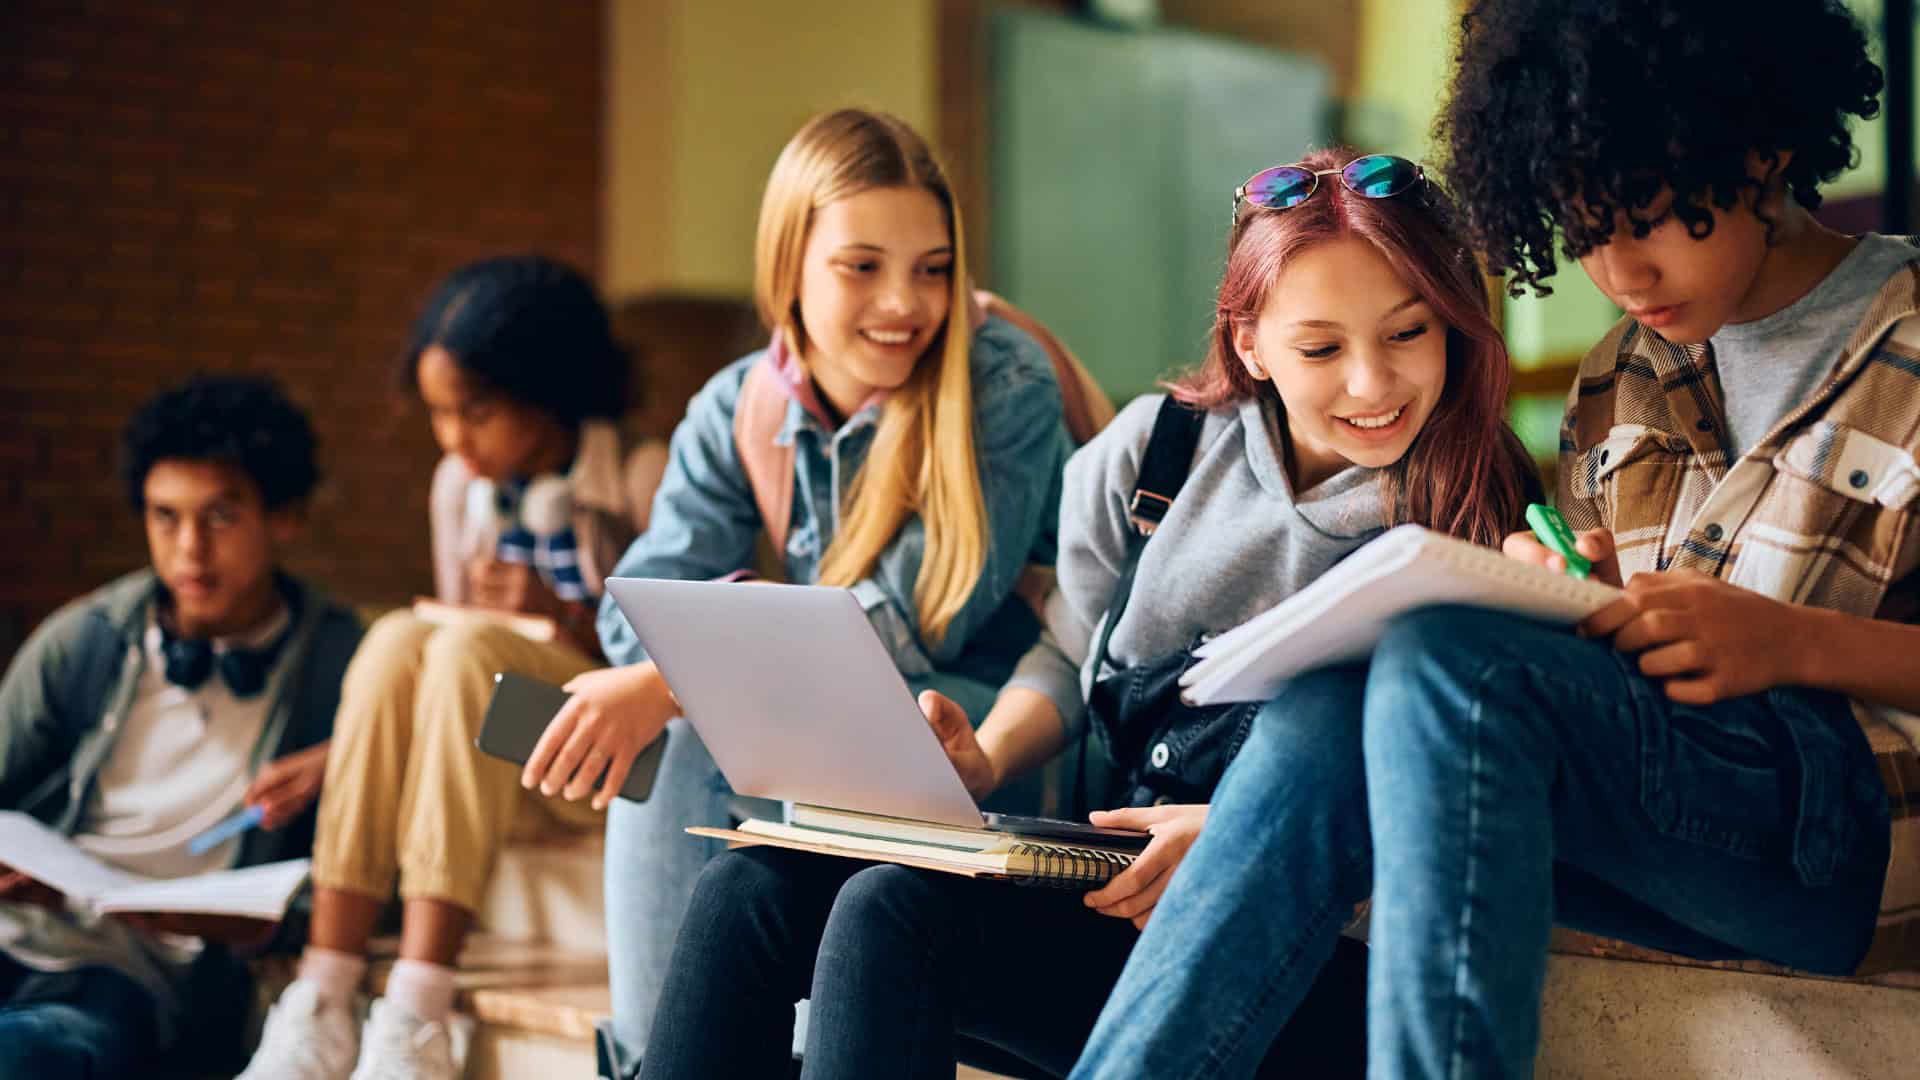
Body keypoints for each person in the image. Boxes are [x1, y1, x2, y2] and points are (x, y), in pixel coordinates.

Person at [1072, 3, 1920, 1077]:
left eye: (1648, 219)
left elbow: (1761, 658)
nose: (1618, 276)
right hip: (1669, 830)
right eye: (1582, 233)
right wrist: (1573, 606)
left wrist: (1788, 643)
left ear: (1759, 152)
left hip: (1854, 838)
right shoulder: (1619, 381)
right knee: (1345, 698)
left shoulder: (1909, 333)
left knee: (1448, 668)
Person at [638, 147, 1542, 1079]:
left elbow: (1470, 797)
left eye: (1409, 334)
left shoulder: (1481, 509)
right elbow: (1070, 652)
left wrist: (1248, 840)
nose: (1371, 383)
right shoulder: (1159, 454)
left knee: (888, 915)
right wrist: (985, 753)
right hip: (1115, 894)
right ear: (1249, 343)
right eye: (1321, 347)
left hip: (1309, 950)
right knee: (747, 887)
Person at [517, 108, 1080, 1075]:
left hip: (976, 727)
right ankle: (664, 1057)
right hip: (823, 713)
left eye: (932, 268)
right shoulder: (743, 403)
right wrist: (687, 670)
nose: (905, 302)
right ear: (789, 265)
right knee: (676, 719)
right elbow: (632, 614)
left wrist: (684, 672)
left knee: (679, 707)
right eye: (862, 266)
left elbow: (917, 617)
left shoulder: (1002, 385)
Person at [239, 255, 668, 1080]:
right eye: (439, 415)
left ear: (547, 396)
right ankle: (324, 995)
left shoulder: (640, 478)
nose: (452, 439)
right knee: (402, 636)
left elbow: (677, 680)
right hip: (494, 758)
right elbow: (439, 678)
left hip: (611, 760)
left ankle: (419, 1005)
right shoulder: (458, 488)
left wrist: (566, 619)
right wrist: (348, 754)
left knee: (469, 644)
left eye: (474, 413)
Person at [0, 375, 361, 1076]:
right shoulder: (87, 639)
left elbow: (367, 882)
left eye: (220, 517)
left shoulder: (340, 663)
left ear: (283, 518)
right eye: (166, 517)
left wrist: (255, 923)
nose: (189, 548)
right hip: (19, 933)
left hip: (126, 975)